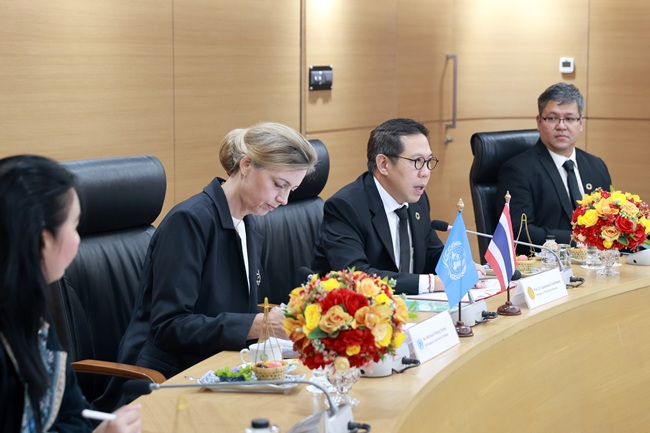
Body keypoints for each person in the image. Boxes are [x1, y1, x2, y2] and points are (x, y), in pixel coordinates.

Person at [97, 122, 317, 409]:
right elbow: (169, 327)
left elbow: (231, 310)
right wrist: (257, 324)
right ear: (246, 165)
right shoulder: (189, 221)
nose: (284, 199)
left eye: (292, 189)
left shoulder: (250, 226)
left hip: (220, 370)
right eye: (279, 185)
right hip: (168, 378)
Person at [0, 155, 141, 433]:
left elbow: (73, 414)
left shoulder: (32, 312)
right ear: (43, 241)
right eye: (74, 226)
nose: (78, 239)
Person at [312, 118, 483, 295]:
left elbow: (432, 254)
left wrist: (459, 269)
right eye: (417, 161)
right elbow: (356, 277)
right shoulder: (345, 208)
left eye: (428, 161)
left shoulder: (418, 201)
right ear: (383, 164)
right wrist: (432, 283)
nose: (425, 172)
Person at [496, 83, 612, 252]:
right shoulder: (518, 171)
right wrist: (579, 239)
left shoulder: (596, 166)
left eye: (570, 119)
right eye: (552, 118)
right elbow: (520, 233)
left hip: (596, 262)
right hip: (546, 263)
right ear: (539, 122)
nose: (561, 126)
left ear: (580, 123)